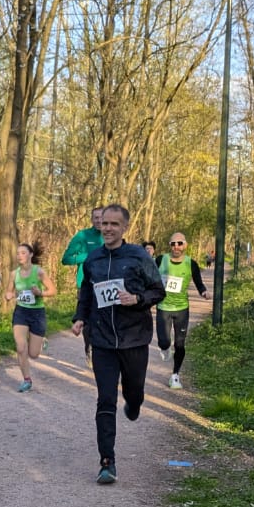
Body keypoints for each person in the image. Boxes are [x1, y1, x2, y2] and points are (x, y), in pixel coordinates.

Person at [70, 203, 165, 485]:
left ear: (124, 227)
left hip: (133, 338)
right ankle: (107, 462)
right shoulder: (93, 259)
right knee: (106, 399)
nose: (108, 228)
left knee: (134, 392)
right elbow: (86, 293)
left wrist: (137, 299)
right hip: (102, 340)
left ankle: (134, 404)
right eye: (105, 223)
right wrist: (79, 318)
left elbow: (158, 290)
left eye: (114, 224)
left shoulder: (138, 256)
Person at [156, 232, 207, 389]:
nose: (176, 246)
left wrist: (203, 292)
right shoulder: (161, 260)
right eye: (173, 244)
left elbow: (198, 282)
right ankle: (165, 348)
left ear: (185, 245)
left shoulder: (191, 263)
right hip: (163, 307)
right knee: (164, 342)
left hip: (181, 309)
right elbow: (150, 277)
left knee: (180, 344)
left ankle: (175, 375)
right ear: (170, 246)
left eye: (179, 243)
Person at [5, 241, 56, 391]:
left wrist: (40, 293)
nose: (19, 256)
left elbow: (53, 291)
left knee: (33, 354)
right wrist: (8, 295)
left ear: (31, 255)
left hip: (37, 313)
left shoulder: (39, 272)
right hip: (21, 312)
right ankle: (27, 380)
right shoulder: (14, 274)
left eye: (23, 253)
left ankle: (40, 341)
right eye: (18, 253)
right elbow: (9, 291)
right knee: (21, 348)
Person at [60, 206, 105, 290]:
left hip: (106, 284)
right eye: (96, 218)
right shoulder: (82, 235)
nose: (99, 221)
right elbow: (65, 259)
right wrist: (87, 256)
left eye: (102, 217)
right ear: (92, 220)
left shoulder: (111, 236)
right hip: (85, 285)